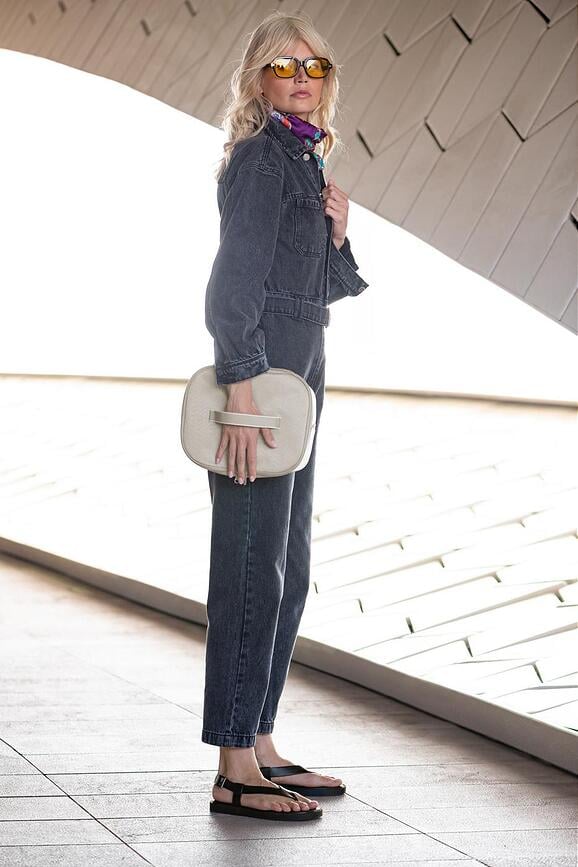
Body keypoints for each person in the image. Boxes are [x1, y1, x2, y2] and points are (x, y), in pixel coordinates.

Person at [202, 10, 370, 821]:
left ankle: (261, 740)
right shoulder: (262, 160)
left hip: (300, 380)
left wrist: (338, 232)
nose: (301, 78)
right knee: (248, 571)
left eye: (314, 66)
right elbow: (231, 289)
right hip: (263, 383)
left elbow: (320, 290)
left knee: (286, 569)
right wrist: (241, 390)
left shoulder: (306, 161)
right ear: (258, 78)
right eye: (283, 66)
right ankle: (234, 767)